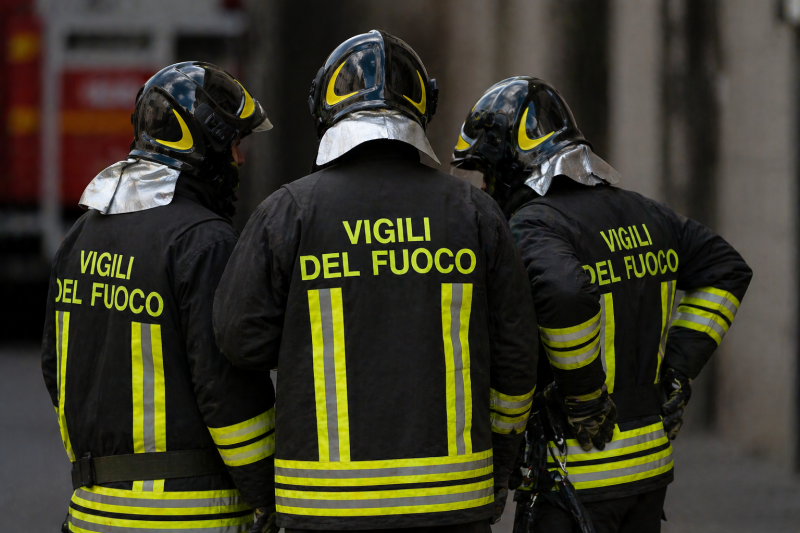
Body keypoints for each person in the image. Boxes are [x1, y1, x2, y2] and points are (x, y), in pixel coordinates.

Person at [213, 31, 538, 532]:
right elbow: (516, 359)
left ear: (326, 107)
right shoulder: (474, 211)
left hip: (324, 505)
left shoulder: (289, 211)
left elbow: (239, 341)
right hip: (452, 504)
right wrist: (500, 466)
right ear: (423, 106)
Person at [450, 76, 752, 533]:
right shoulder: (644, 212)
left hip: (573, 480)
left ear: (511, 165)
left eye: (488, 174)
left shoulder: (535, 225)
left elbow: (566, 295)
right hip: (648, 473)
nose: (489, 189)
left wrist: (586, 396)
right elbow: (725, 268)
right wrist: (676, 371)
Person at [41, 61, 278, 533]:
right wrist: (269, 498)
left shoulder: (81, 234)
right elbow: (227, 394)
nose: (240, 159)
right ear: (205, 142)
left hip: (91, 513)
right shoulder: (204, 241)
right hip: (187, 518)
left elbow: (56, 368)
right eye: (234, 143)